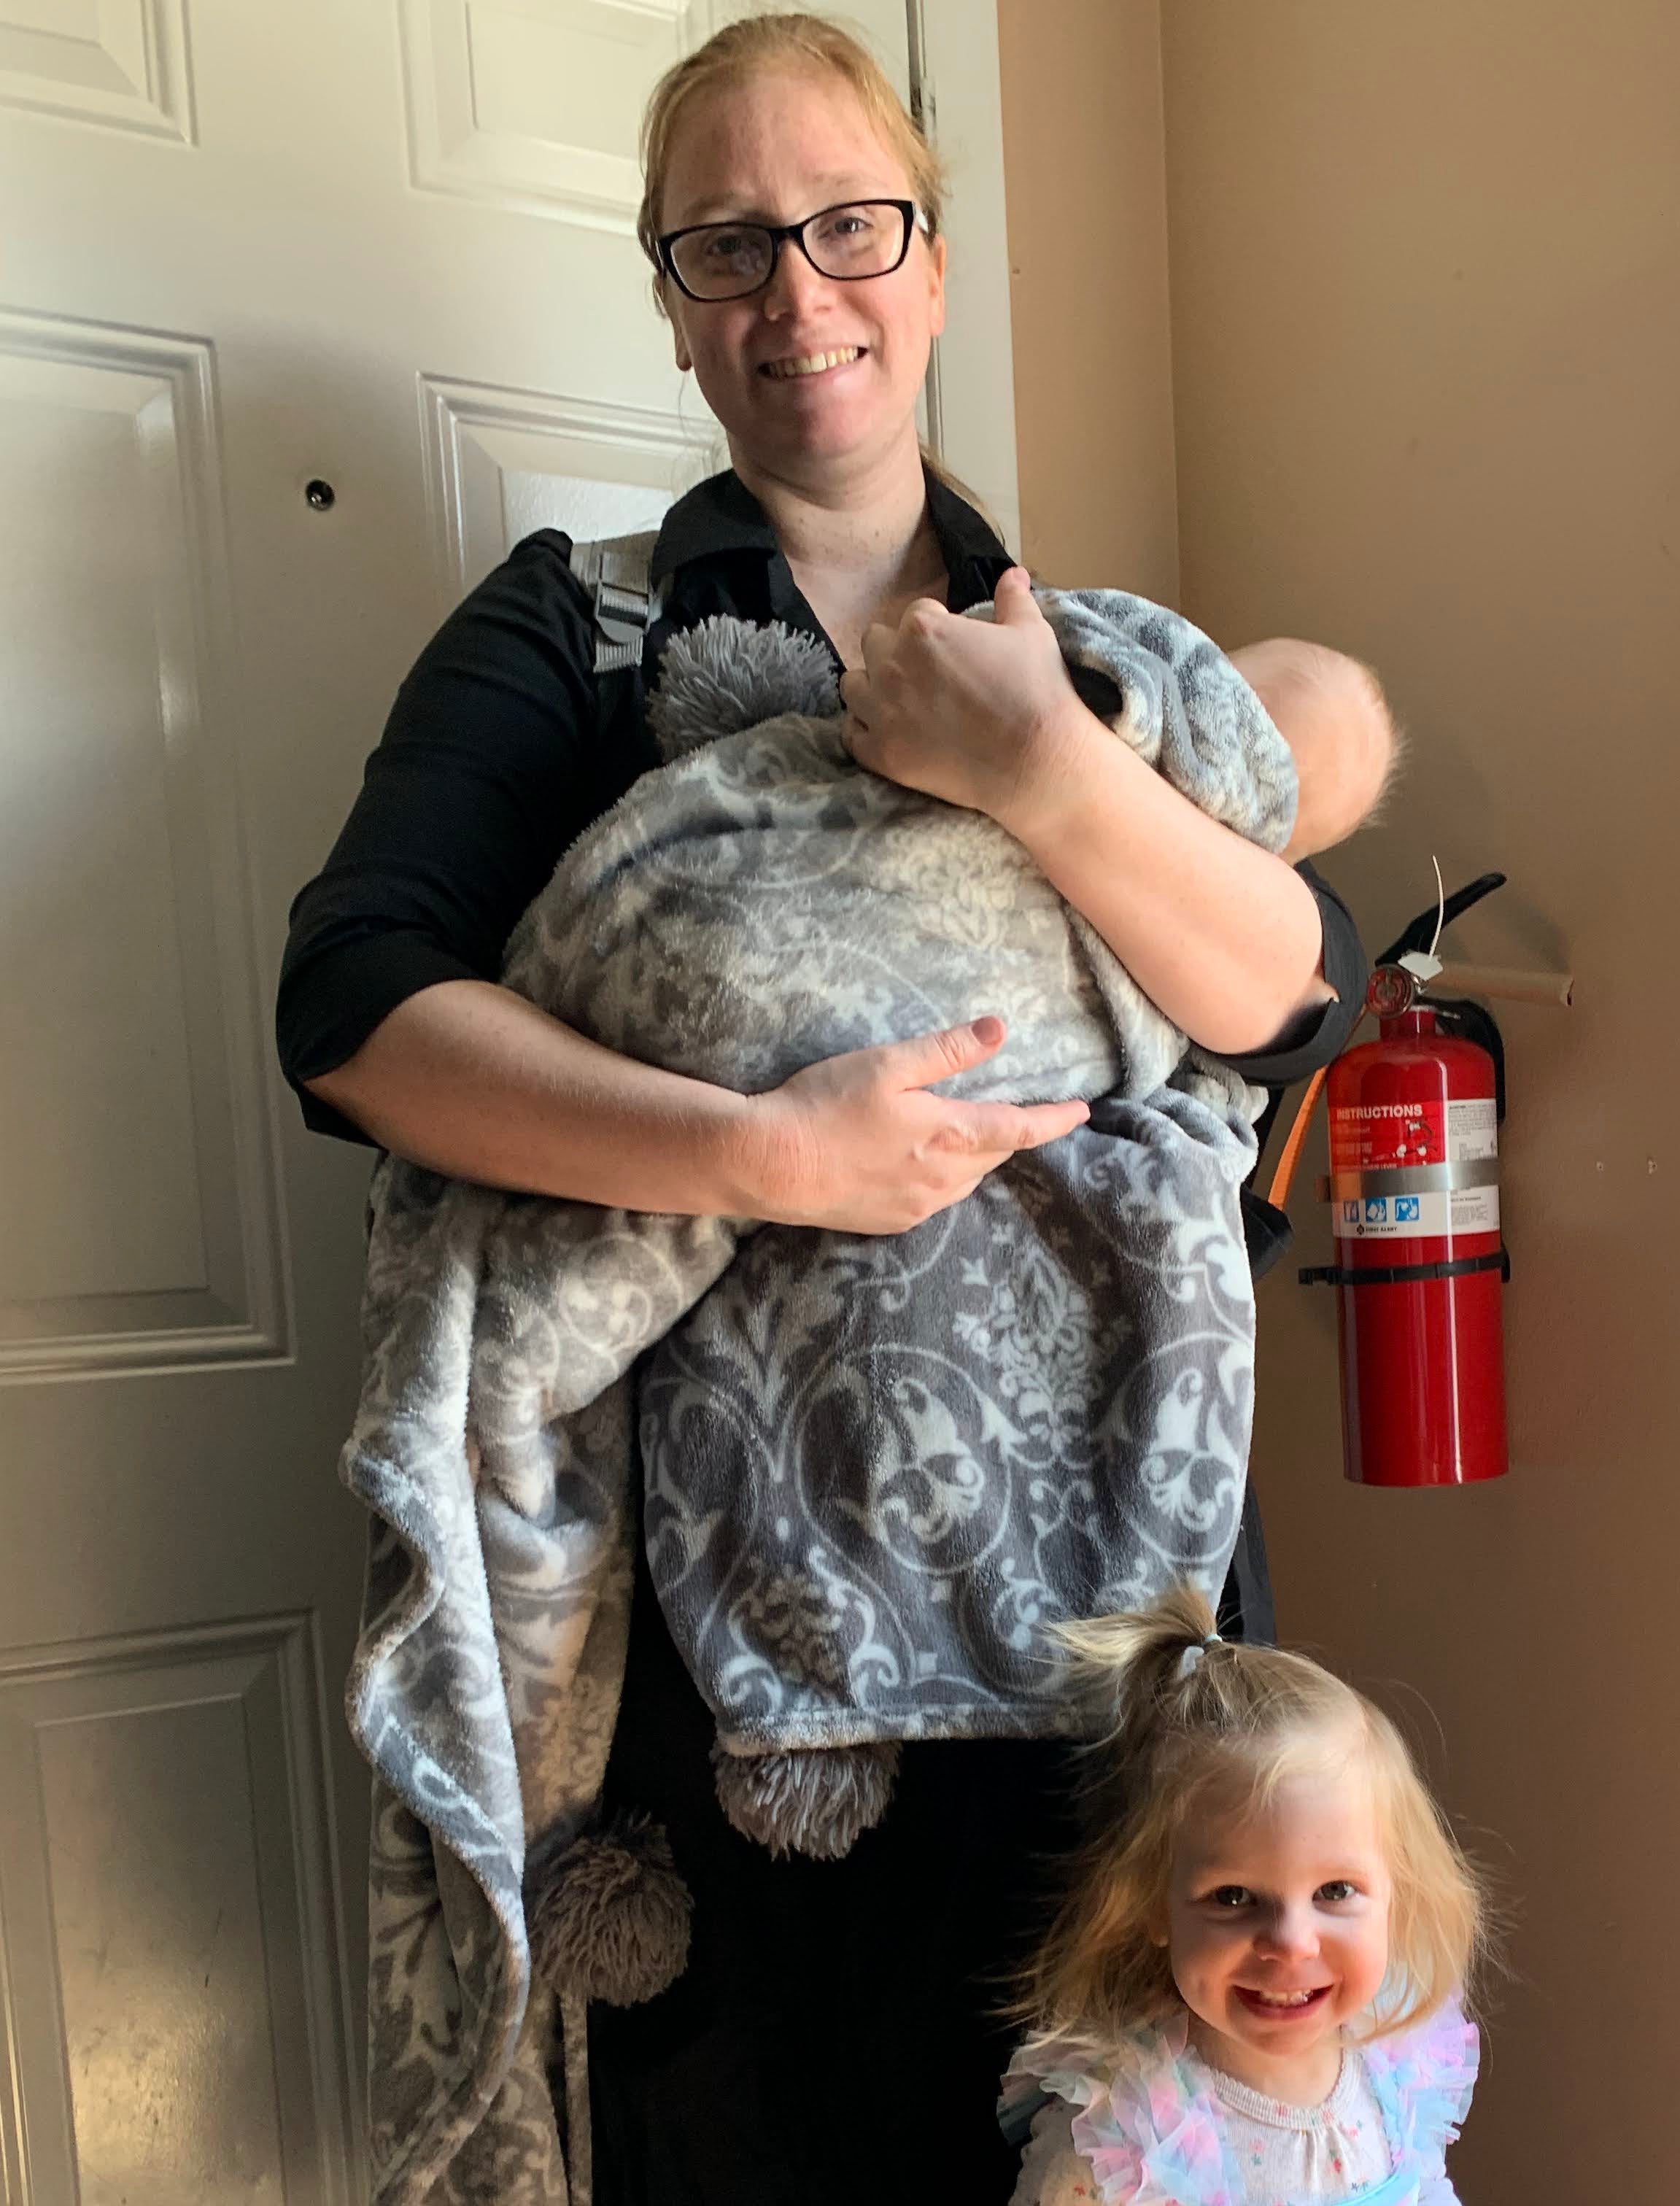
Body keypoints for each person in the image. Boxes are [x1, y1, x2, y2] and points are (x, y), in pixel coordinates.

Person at [276, 13, 1379, 2197]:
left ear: (937, 262)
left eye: (850, 225)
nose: (800, 293)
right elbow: (357, 1004)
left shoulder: (1104, 659)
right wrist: (770, 1158)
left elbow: (1286, 989)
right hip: (742, 1647)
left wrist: (1044, 768)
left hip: (1116, 1601)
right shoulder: (575, 642)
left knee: (1112, 2148)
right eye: (730, 244)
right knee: (767, 2143)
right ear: (677, 300)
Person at [1002, 1586, 1487, 2206]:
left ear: (1396, 1891)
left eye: (1335, 1891)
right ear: (1153, 1904)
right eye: (1233, 1897)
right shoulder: (1132, 2138)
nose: (1290, 1942)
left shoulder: (1397, 2066)